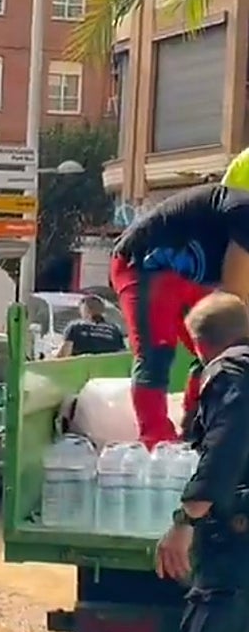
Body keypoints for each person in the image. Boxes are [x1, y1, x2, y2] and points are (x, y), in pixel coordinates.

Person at [156, 292, 249, 632]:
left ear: (200, 344)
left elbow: (226, 446)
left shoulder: (230, 372)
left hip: (234, 562)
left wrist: (184, 520)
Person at [109, 182, 249, 447]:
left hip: (185, 277)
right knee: (157, 352)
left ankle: (195, 432)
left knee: (216, 348)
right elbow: (233, 300)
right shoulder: (246, 214)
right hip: (143, 262)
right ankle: (156, 443)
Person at [54, 295, 125, 358]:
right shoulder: (114, 329)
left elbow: (64, 354)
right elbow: (121, 354)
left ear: (84, 310)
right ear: (102, 310)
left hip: (81, 370)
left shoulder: (75, 327)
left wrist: (53, 354)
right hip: (109, 370)